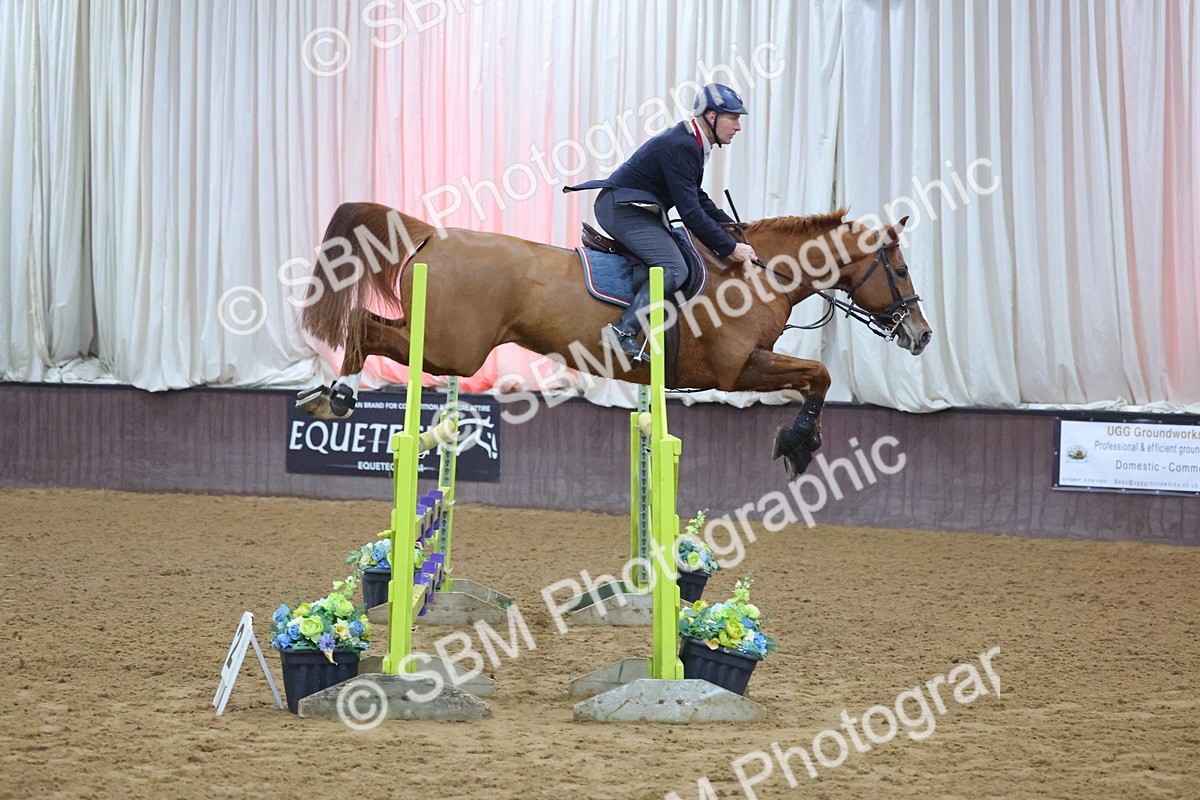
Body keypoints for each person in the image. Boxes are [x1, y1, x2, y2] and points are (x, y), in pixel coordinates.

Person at [565, 83, 758, 361]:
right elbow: (691, 213)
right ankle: (621, 331)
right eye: (734, 118)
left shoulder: (692, 141)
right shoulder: (683, 144)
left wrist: (735, 228)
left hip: (633, 208)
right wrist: (729, 248)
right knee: (675, 268)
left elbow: (697, 197)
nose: (738, 127)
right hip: (621, 209)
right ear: (712, 116)